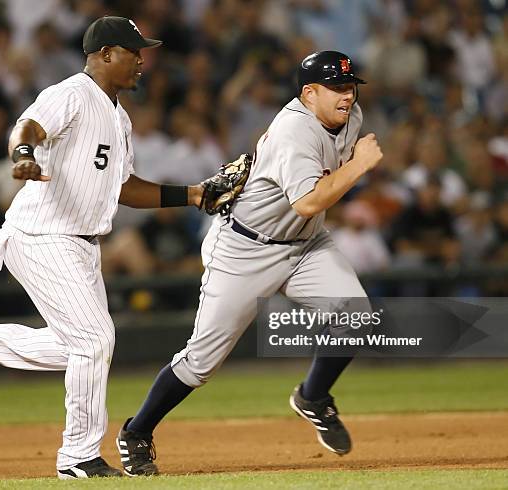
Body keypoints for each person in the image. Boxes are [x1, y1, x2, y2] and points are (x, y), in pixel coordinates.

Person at [0, 16, 214, 480]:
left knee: (81, 347)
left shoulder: (118, 116)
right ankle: (78, 456)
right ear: (106, 54)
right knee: (95, 340)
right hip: (43, 234)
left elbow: (125, 187)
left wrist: (190, 193)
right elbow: (26, 127)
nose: (142, 61)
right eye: (134, 52)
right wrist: (23, 156)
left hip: (82, 244)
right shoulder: (71, 93)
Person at [116, 51, 383, 476]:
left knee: (356, 318)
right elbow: (310, 199)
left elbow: (309, 203)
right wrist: (359, 167)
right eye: (335, 87)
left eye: (350, 87)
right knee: (201, 362)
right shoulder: (293, 130)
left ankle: (312, 397)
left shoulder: (351, 116)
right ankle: (136, 431)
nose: (347, 95)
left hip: (306, 244)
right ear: (308, 93)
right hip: (246, 250)